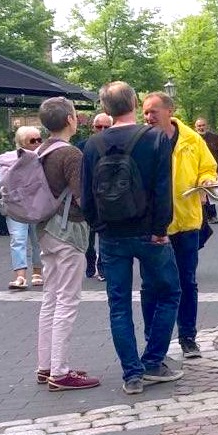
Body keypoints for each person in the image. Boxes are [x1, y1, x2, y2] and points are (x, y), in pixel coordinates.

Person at [81, 81, 182, 395]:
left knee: (119, 304)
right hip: (149, 232)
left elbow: (86, 195)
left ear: (105, 108)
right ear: (135, 104)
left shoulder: (93, 144)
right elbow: (163, 188)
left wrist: (99, 227)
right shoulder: (155, 138)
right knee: (169, 292)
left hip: (111, 235)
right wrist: (161, 229)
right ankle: (153, 361)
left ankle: (131, 374)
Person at [142, 92, 217, 361]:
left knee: (187, 281)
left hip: (186, 221)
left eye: (153, 111)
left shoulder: (192, 139)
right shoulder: (142, 139)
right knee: (152, 285)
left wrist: (206, 180)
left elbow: (208, 167)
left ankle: (188, 337)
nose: (148, 117)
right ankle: (153, 342)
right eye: (145, 112)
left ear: (169, 111)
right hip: (153, 225)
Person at [33, 96, 100, 391]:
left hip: (45, 229)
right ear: (70, 119)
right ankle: (60, 372)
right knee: (68, 300)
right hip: (68, 229)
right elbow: (82, 197)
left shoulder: (41, 150)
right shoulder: (71, 154)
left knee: (50, 297)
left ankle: (45, 365)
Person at [0, 126, 44, 290]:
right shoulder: (8, 159)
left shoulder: (43, 158)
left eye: (39, 139)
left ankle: (37, 272)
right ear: (21, 142)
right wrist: (8, 187)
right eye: (33, 140)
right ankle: (20, 276)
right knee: (17, 239)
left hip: (37, 205)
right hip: (15, 206)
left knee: (38, 240)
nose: (37, 143)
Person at [84, 112, 113, 280]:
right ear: (93, 128)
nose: (102, 130)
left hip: (108, 200)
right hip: (89, 198)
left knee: (105, 236)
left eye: (106, 127)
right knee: (87, 239)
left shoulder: (117, 147)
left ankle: (102, 267)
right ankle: (90, 260)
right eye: (98, 127)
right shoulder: (84, 146)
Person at [194, 117, 218, 225]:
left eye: (203, 125)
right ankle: (207, 216)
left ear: (206, 126)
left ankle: (211, 215)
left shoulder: (214, 138)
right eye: (199, 126)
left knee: (208, 192)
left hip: (211, 170)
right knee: (202, 193)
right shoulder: (192, 138)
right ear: (195, 127)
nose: (201, 128)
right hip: (197, 170)